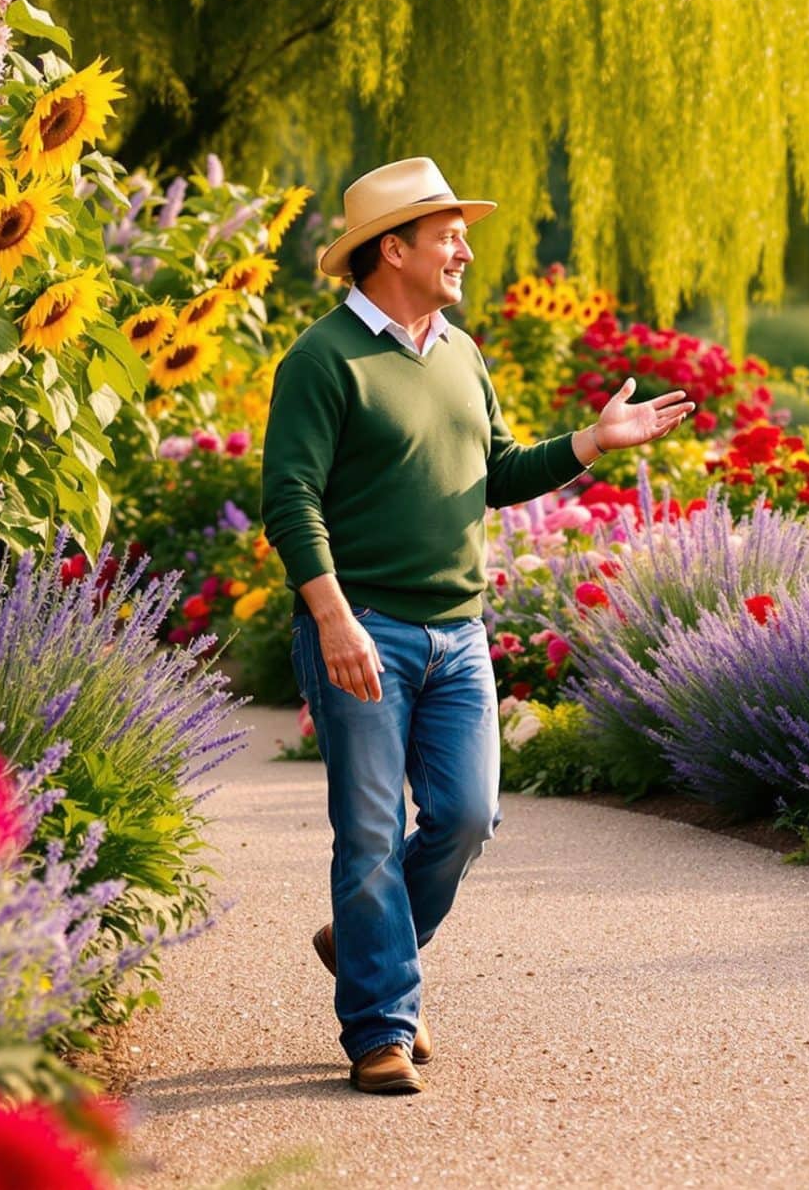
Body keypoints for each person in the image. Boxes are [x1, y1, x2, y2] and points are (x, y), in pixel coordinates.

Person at [260, 157, 693, 1094]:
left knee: (464, 817)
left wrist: (590, 443)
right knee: (370, 832)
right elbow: (289, 499)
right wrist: (332, 618)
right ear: (392, 248)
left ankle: (363, 941)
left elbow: (493, 469)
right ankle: (381, 1025)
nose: (463, 248)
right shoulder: (322, 360)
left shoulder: (460, 351)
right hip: (363, 627)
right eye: (446, 232)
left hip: (459, 633)